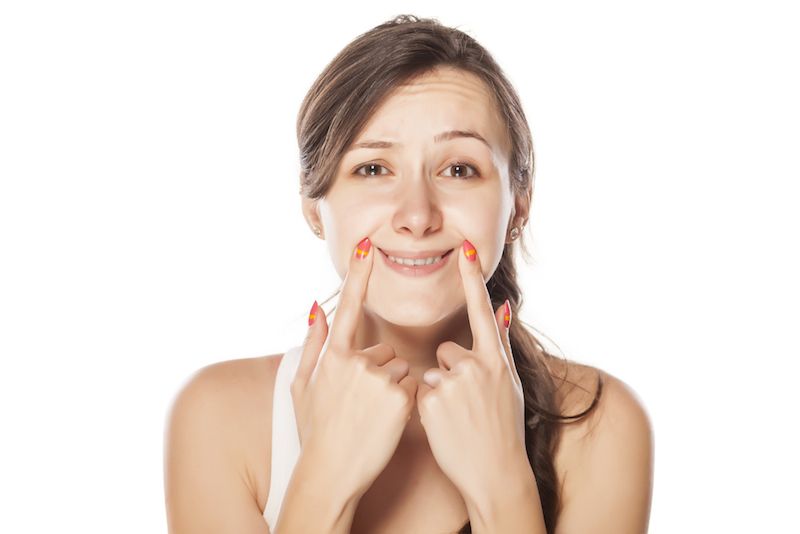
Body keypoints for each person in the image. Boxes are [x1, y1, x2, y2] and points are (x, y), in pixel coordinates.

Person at [164, 14, 654, 534]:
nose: (417, 216)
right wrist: (326, 473)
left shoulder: (598, 425)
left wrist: (502, 482)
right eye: (373, 169)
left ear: (518, 207)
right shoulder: (218, 418)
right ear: (314, 206)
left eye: (459, 169)